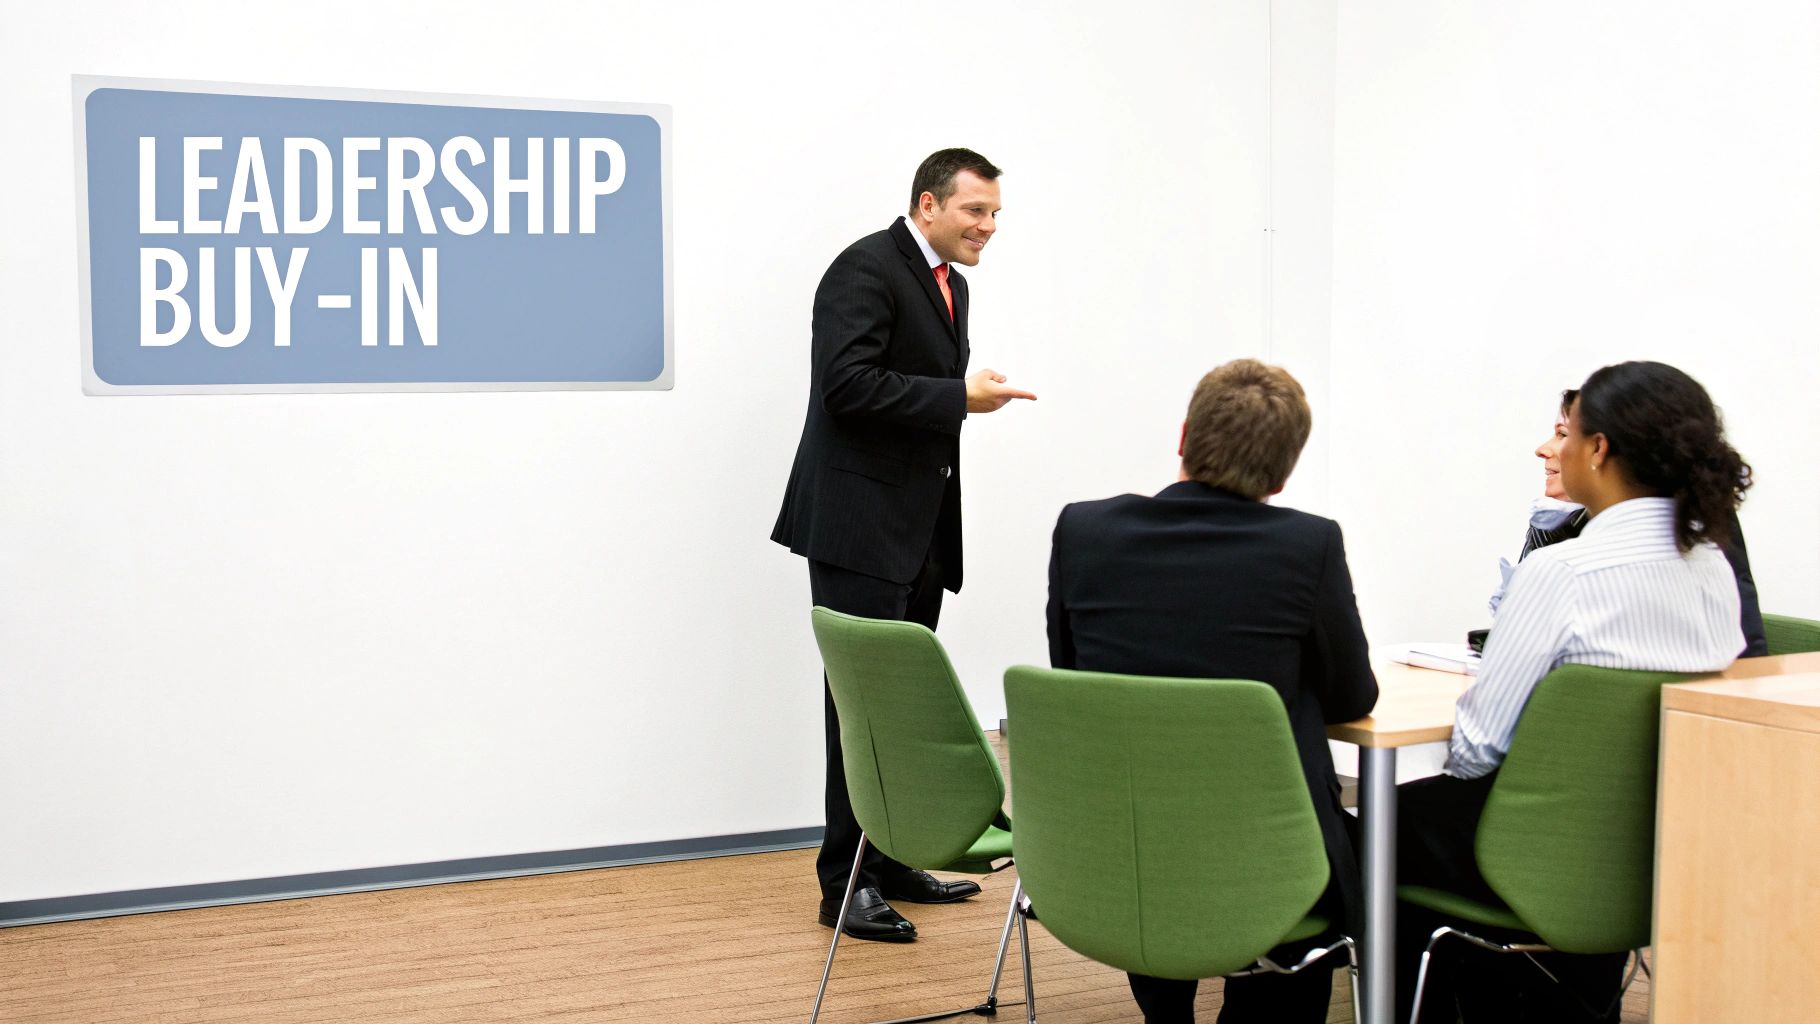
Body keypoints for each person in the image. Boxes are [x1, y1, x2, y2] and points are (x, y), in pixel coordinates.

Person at [1399, 361, 1752, 1023]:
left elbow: (1476, 750)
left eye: (1568, 434)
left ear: (1599, 449)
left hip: (1527, 853)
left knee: (1373, 833)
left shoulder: (1561, 571)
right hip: (1652, 851)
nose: (1554, 449)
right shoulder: (1712, 568)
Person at [1046, 359, 1378, 1023]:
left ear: (1183, 437)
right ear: (1282, 475)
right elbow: (1350, 697)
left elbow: (1074, 676)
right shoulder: (1308, 544)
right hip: (1269, 863)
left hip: (1121, 852)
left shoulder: (1084, 531)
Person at [772, 148, 1037, 942]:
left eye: (995, 214)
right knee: (862, 715)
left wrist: (956, 397)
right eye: (975, 211)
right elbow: (845, 386)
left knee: (901, 711)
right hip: (860, 530)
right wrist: (959, 396)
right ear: (928, 204)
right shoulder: (865, 268)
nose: (989, 227)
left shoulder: (952, 284)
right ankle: (843, 886)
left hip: (917, 533)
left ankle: (888, 866)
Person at [1489, 390, 1767, 655]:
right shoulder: (1558, 517)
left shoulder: (1691, 541)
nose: (1542, 449)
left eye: (1563, 434)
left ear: (1602, 449)